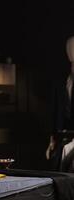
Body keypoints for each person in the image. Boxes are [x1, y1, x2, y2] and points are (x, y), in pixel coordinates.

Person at [46, 36, 74, 171]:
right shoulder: (62, 81)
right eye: (69, 47)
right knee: (58, 158)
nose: (71, 51)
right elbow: (55, 110)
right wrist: (51, 139)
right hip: (64, 134)